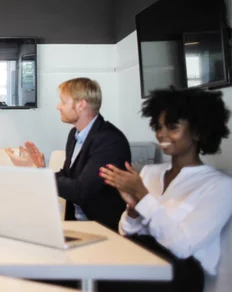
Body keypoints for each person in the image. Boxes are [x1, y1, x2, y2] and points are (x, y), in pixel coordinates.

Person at [99, 88, 232, 291]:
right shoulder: (150, 173)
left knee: (87, 278)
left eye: (172, 127)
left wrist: (144, 197)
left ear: (198, 131)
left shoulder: (219, 186)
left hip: (179, 274)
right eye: (158, 127)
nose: (161, 134)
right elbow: (126, 232)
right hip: (140, 258)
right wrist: (133, 209)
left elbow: (183, 247)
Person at [6, 77, 130, 231]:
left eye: (63, 102)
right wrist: (40, 169)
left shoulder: (110, 141)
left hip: (101, 230)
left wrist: (37, 173)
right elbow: (68, 176)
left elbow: (81, 191)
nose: (58, 106)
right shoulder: (75, 134)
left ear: (81, 105)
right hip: (76, 223)